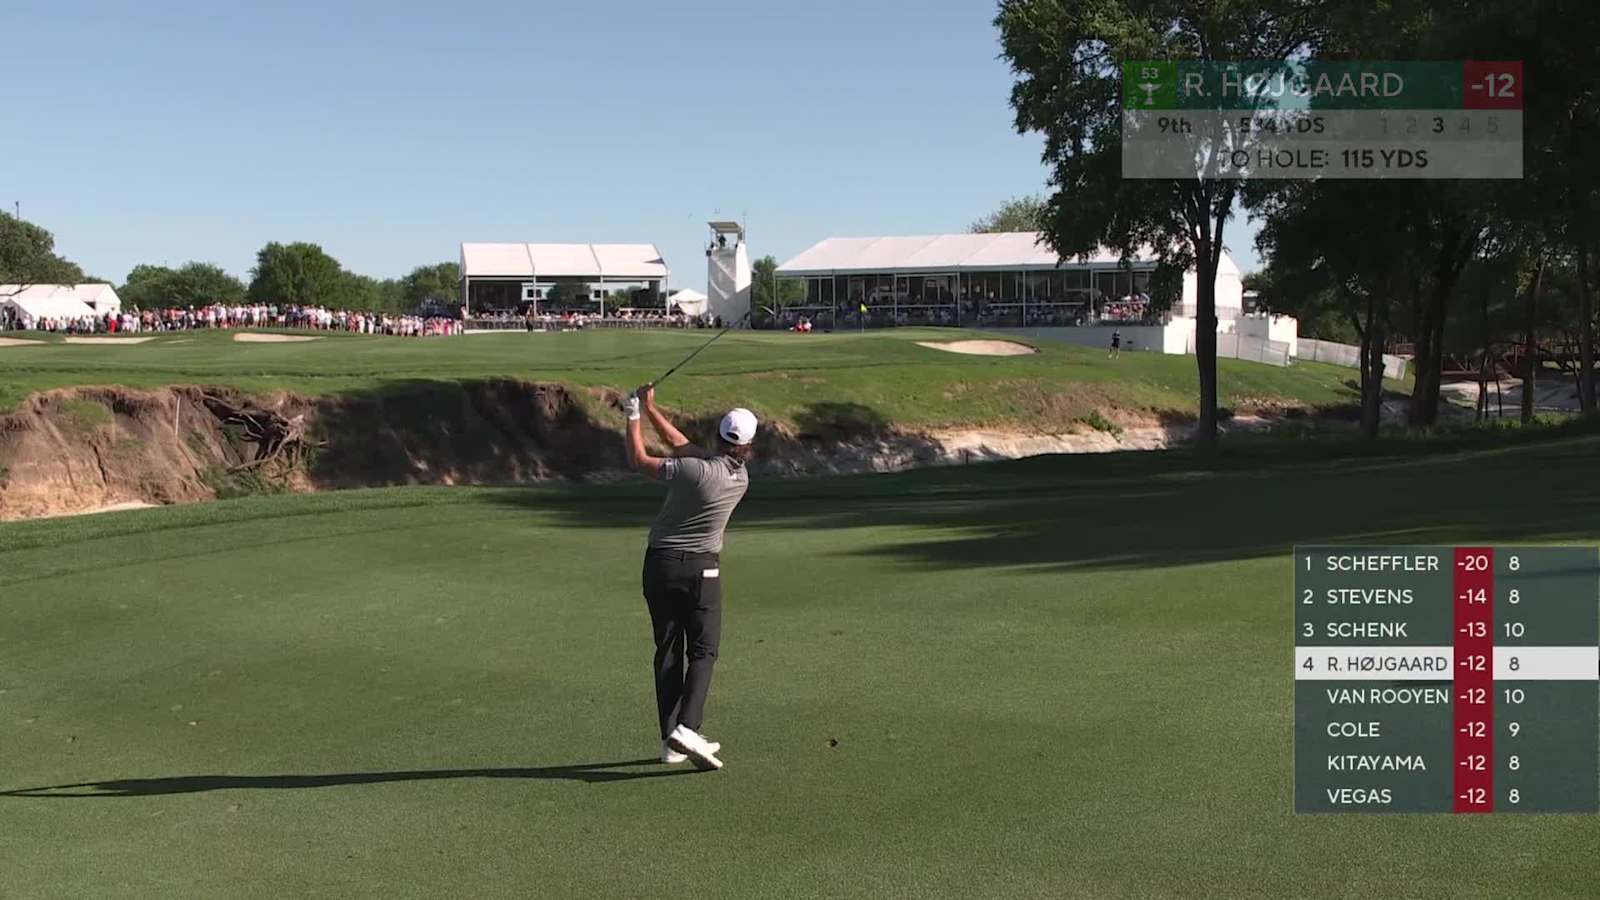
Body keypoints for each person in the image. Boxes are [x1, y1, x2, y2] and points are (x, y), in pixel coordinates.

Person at [622, 384, 756, 770]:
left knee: (668, 650)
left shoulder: (693, 469)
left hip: (659, 565)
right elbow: (681, 445)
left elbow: (640, 460)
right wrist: (649, 409)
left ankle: (671, 742)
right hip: (702, 570)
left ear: (718, 435)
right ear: (747, 446)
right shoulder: (739, 476)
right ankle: (688, 726)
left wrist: (633, 415)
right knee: (703, 649)